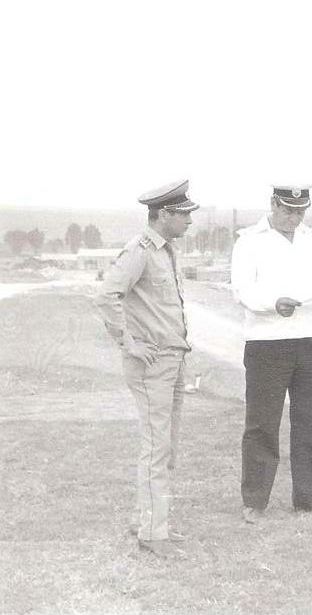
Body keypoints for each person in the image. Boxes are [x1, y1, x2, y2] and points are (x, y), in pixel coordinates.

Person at [230, 185, 312, 523]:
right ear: (273, 204)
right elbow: (242, 290)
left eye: (300, 212)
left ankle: (308, 499)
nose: (294, 218)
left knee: (309, 421)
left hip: (310, 339)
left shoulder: (311, 240)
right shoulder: (249, 241)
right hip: (267, 342)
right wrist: (273, 303)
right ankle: (255, 501)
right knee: (262, 424)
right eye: (288, 211)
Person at [94, 179, 198, 558]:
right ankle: (153, 534)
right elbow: (106, 296)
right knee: (157, 447)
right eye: (184, 215)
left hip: (172, 359)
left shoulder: (167, 251)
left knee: (165, 446)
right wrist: (129, 342)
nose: (189, 221)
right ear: (164, 214)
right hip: (152, 363)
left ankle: (149, 521)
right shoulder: (139, 251)